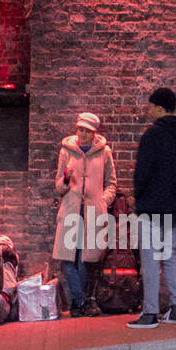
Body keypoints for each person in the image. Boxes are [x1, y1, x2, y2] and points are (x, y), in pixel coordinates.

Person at [128, 87, 176, 329]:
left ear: (159, 107)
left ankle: (149, 314)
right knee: (168, 258)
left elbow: (141, 174)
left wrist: (139, 198)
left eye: (150, 106)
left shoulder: (152, 135)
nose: (147, 110)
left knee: (149, 262)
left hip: (151, 208)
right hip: (173, 206)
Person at [52, 112, 116, 318]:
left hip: (92, 212)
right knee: (69, 259)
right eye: (80, 129)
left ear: (94, 132)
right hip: (71, 210)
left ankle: (78, 304)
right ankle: (80, 302)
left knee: (84, 259)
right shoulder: (66, 151)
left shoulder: (104, 152)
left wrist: (103, 201)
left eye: (87, 131)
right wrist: (66, 179)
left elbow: (112, 183)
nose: (82, 134)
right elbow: (58, 188)